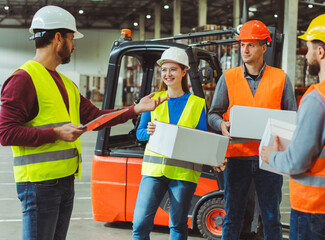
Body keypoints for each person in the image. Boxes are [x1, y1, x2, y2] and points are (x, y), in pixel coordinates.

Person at [0, 5, 166, 240]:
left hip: (65, 181)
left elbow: (96, 117)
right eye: (71, 38)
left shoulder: (67, 84)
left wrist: (135, 109)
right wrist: (56, 133)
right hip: (38, 185)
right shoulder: (22, 79)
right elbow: (6, 133)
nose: (74, 46)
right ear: (58, 38)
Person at [260, 13, 325, 240]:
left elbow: (296, 162)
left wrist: (271, 156)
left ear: (321, 52)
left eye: (309, 48)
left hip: (315, 207)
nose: (306, 55)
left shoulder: (318, 98)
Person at [208, 20, 297, 240]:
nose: (245, 50)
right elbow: (213, 114)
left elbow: (292, 118)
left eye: (251, 45)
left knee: (271, 217)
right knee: (233, 216)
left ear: (264, 47)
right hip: (237, 157)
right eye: (242, 45)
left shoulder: (281, 78)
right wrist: (221, 124)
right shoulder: (228, 78)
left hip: (270, 158)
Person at [133, 47, 207, 239]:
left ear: (184, 72)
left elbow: (203, 139)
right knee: (140, 224)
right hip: (153, 172)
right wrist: (147, 132)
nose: (168, 74)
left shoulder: (197, 104)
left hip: (183, 174)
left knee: (178, 224)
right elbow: (140, 133)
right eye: (164, 70)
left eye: (173, 69)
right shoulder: (153, 100)